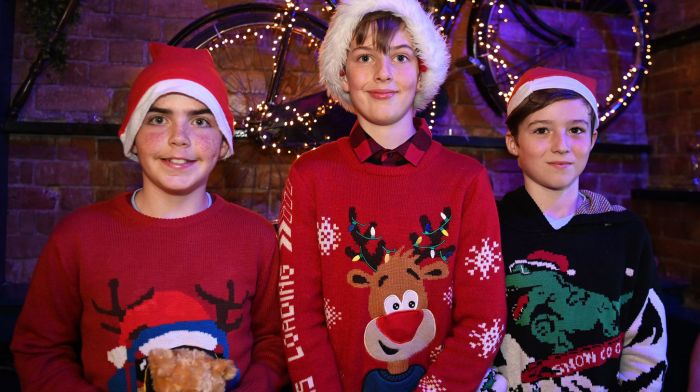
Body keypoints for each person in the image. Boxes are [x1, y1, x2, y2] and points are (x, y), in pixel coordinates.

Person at [11, 42, 286, 391]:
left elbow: (275, 343)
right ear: (133, 136)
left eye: (200, 120)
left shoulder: (257, 237)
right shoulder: (78, 237)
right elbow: (39, 349)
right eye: (159, 119)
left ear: (222, 142)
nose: (179, 139)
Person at [276, 0, 506, 390]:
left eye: (400, 56)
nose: (383, 73)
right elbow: (297, 310)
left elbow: (484, 319)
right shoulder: (310, 174)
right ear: (343, 75)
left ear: (422, 72)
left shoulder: (466, 180)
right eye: (365, 57)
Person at [494, 67, 668, 390]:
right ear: (513, 142)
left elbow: (645, 348)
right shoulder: (489, 228)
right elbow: (466, 338)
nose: (561, 145)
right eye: (541, 130)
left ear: (592, 139)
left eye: (575, 130)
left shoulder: (625, 233)